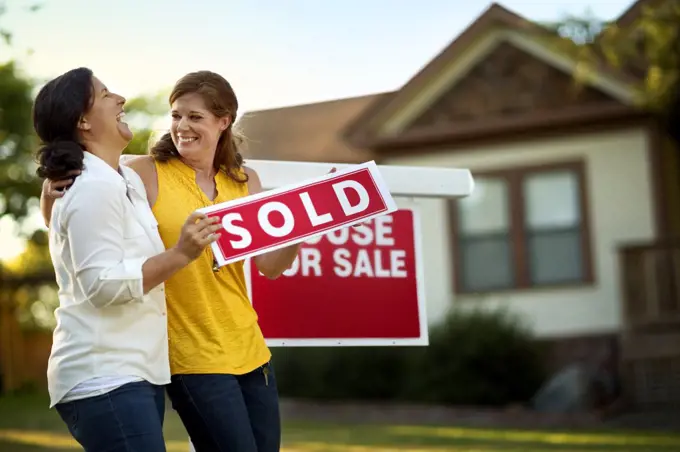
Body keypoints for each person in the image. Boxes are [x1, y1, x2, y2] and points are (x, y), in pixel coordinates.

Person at [42, 70, 311, 452]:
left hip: (249, 347)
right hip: (188, 353)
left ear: (224, 121)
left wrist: (303, 227)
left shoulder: (244, 179)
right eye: (176, 115)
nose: (181, 126)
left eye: (195, 117)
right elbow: (72, 219)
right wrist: (49, 189)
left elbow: (269, 266)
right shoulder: (143, 173)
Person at [34, 67, 222, 452]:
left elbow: (66, 229)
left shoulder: (122, 179)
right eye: (105, 94)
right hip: (103, 377)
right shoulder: (92, 187)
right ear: (83, 121)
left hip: (135, 374)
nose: (119, 99)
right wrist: (181, 254)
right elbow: (102, 286)